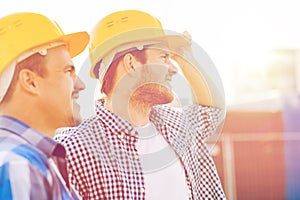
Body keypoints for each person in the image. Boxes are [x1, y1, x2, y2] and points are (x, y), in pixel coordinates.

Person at [55, 10, 226, 199]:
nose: (173, 69)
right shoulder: (74, 150)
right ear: (132, 63)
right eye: (163, 57)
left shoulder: (175, 124)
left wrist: (185, 55)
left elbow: (212, 111)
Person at [0, 12, 89, 199]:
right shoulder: (20, 166)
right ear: (30, 81)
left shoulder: (33, 162)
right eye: (68, 71)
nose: (80, 85)